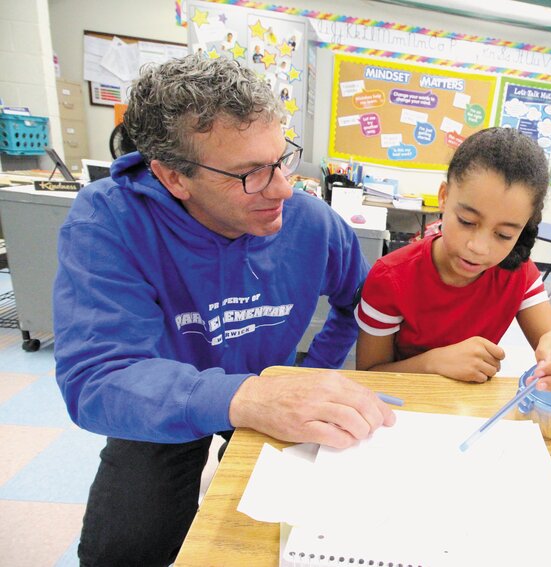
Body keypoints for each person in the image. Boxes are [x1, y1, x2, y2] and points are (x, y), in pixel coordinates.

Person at [53, 55, 395, 566]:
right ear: (173, 177)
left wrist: (311, 372)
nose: (282, 188)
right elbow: (96, 380)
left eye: (282, 159)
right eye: (248, 175)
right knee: (121, 550)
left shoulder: (313, 223)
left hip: (268, 384)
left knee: (303, 534)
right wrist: (244, 396)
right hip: (163, 399)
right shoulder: (108, 222)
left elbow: (359, 305)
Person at [355, 127, 551, 391]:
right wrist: (433, 363)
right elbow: (368, 375)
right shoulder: (391, 278)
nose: (478, 247)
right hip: (401, 407)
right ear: (444, 197)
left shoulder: (517, 273)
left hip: (471, 411)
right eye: (467, 221)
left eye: (504, 234)